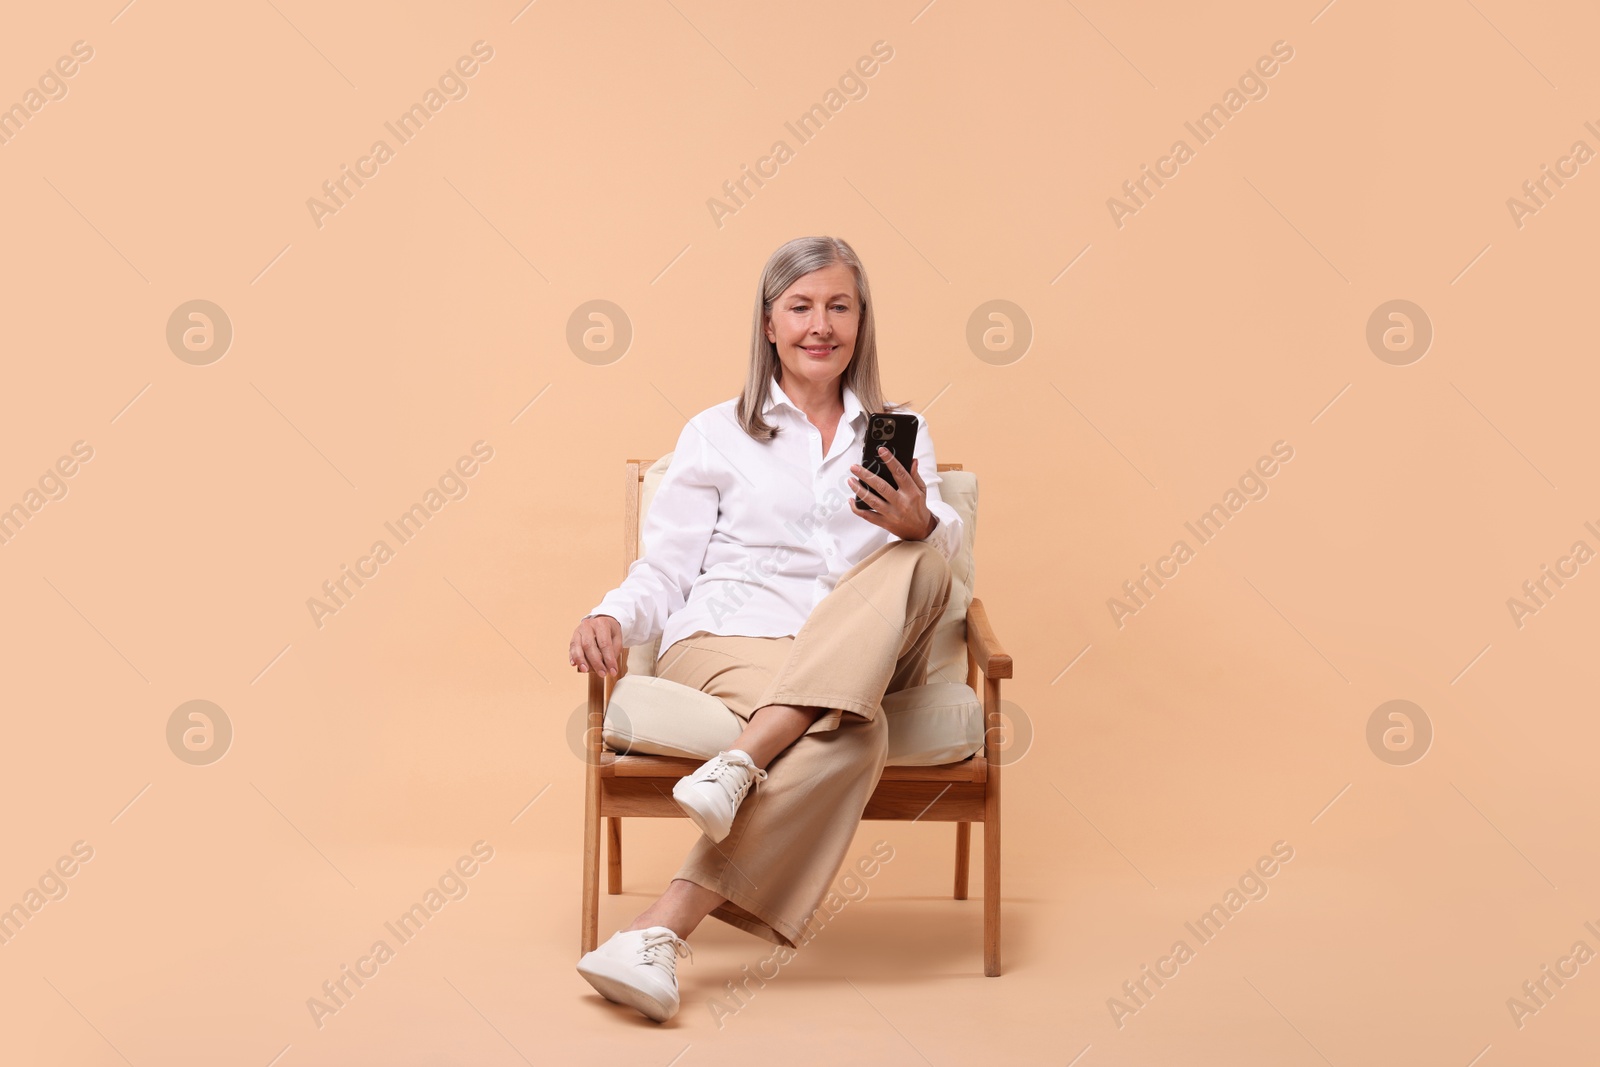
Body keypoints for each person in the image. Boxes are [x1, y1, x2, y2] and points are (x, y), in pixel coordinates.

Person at [571, 235, 964, 1022]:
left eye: (839, 306)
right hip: (727, 642)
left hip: (860, 644)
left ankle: (739, 766)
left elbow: (932, 573)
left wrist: (920, 521)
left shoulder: (898, 429)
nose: (821, 325)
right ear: (770, 323)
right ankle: (661, 933)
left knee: (929, 555)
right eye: (802, 306)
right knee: (856, 734)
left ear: (862, 322)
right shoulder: (717, 433)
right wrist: (613, 610)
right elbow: (668, 569)